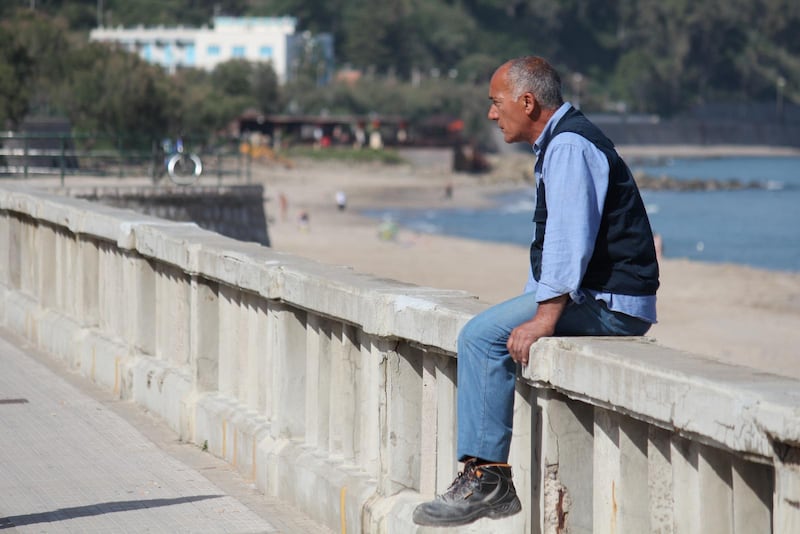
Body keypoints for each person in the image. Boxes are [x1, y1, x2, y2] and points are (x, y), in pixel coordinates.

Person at [412, 56, 660, 527]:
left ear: (527, 102)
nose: (491, 113)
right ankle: (489, 481)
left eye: (495, 102)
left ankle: (487, 480)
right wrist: (535, 307)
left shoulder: (568, 146)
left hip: (609, 303)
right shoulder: (565, 140)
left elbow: (570, 240)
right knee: (491, 328)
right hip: (604, 296)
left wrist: (544, 318)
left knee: (481, 337)